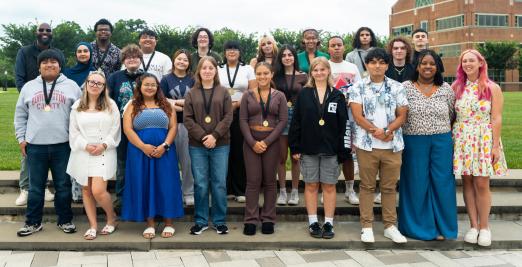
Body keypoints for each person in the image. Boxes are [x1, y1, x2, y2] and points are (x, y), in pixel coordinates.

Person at [14, 49, 81, 236]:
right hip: (35, 146)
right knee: (35, 187)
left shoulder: (72, 86)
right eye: (45, 62)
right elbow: (20, 116)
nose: (49, 64)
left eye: (53, 62)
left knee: (63, 185)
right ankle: (33, 222)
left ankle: (65, 220)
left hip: (63, 145)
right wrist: (21, 139)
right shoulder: (28, 87)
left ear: (60, 66)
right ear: (39, 66)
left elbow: (80, 115)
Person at [349, 48, 408, 244]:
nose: (377, 66)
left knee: (389, 187)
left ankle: (390, 226)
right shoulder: (358, 87)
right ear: (367, 65)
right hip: (367, 146)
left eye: (381, 62)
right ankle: (367, 226)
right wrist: (377, 131)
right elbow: (358, 116)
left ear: (387, 65)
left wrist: (388, 130)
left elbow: (402, 114)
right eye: (372, 62)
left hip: (392, 145)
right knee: (366, 186)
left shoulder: (397, 87)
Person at [398, 50, 458, 241]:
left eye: (432, 64)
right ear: (417, 66)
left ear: (438, 66)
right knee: (416, 182)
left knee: (443, 183)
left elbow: (451, 116)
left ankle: (444, 227)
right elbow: (399, 114)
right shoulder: (405, 87)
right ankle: (419, 228)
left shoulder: (446, 89)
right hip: (414, 140)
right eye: (424, 63)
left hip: (441, 140)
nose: (427, 67)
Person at [289, 57, 349, 239]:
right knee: (311, 185)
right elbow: (296, 122)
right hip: (308, 148)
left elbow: (343, 124)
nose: (319, 73)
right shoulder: (304, 94)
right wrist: (295, 146)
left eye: (323, 69)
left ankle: (329, 223)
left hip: (331, 149)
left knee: (330, 186)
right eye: (316, 70)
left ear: (328, 71)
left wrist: (342, 150)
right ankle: (313, 221)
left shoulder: (337, 95)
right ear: (311, 73)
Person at [452, 49, 507, 247]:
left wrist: (494, 146)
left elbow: (497, 117)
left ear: (480, 63)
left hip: (483, 137)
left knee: (482, 183)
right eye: (464, 61)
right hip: (462, 138)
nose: (467, 64)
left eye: (471, 60)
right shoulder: (457, 87)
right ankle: (473, 225)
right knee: (466, 182)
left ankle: (485, 227)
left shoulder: (492, 88)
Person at [121, 73, 184, 239]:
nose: (150, 87)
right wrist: (143, 147)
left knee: (166, 183)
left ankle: (169, 222)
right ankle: (150, 223)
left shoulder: (166, 105)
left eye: (153, 85)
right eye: (146, 85)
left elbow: (173, 128)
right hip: (139, 152)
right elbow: (127, 129)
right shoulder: (132, 106)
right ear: (140, 88)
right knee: (144, 183)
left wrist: (165, 145)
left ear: (158, 87)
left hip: (165, 152)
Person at [66, 71, 119, 240]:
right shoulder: (76, 107)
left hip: (104, 151)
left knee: (98, 190)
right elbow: (73, 132)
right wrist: (85, 145)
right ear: (86, 84)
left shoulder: (111, 105)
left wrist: (104, 145)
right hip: (83, 151)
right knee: (87, 190)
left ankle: (112, 218)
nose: (95, 85)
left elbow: (116, 129)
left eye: (99, 83)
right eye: (92, 82)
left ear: (104, 87)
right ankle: (93, 225)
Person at [184, 56, 233, 235]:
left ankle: (219, 221)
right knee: (201, 184)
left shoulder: (223, 92)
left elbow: (228, 117)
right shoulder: (191, 93)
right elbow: (187, 119)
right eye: (203, 68)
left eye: (210, 68)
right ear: (199, 71)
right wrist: (204, 136)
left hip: (221, 144)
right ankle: (201, 220)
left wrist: (214, 135)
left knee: (219, 183)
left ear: (215, 71)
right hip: (197, 145)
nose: (207, 71)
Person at [14, 22, 61, 206]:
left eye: (48, 30)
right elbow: (19, 78)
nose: (44, 33)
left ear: (51, 34)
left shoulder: (56, 53)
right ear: (36, 32)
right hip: (32, 104)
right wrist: (30, 100)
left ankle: (43, 187)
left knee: (51, 149)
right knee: (28, 148)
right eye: (41, 30)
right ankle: (25, 188)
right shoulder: (24, 52)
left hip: (53, 105)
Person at [240, 62, 288, 235]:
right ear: (255, 75)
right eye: (259, 74)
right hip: (251, 141)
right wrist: (253, 142)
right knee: (253, 181)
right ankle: (251, 219)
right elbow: (243, 120)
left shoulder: (280, 96)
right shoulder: (247, 95)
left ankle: (268, 218)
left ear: (272, 74)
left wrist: (267, 142)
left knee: (269, 181)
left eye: (265, 73)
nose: (262, 77)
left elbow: (283, 121)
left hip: (272, 142)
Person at [218, 41, 256, 203]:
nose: (231, 52)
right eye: (228, 49)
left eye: (235, 49)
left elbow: (253, 90)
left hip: (242, 112)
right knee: (223, 150)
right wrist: (228, 106)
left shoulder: (247, 69)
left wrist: (237, 105)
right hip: (220, 112)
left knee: (239, 151)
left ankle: (240, 189)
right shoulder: (218, 69)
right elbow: (213, 89)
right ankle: (227, 188)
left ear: (240, 52)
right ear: (224, 52)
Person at [107, 44, 144, 209]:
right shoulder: (115, 77)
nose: (132, 60)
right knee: (122, 163)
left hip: (143, 128)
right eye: (128, 57)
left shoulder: (147, 77)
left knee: (141, 161)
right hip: (121, 127)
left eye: (135, 57)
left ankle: (141, 194)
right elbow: (107, 100)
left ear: (140, 60)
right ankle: (121, 197)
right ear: (123, 60)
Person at [327, 36, 361, 205]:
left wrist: (351, 100)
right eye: (333, 45)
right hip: (329, 117)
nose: (336, 48)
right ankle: (328, 188)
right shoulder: (325, 65)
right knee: (330, 154)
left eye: (339, 45)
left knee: (348, 154)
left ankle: (350, 190)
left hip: (349, 116)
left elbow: (359, 89)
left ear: (343, 47)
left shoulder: (352, 67)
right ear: (328, 49)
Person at [272, 45, 307, 206]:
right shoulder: (275, 77)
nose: (287, 57)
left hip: (297, 118)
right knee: (280, 157)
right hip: (280, 118)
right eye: (284, 55)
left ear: (294, 57)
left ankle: (294, 191)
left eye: (290, 55)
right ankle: (282, 191)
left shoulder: (303, 76)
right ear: (280, 58)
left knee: (296, 157)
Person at [160, 49, 196, 206]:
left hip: (188, 125)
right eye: (179, 59)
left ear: (189, 63)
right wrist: (184, 105)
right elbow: (162, 101)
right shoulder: (166, 80)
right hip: (170, 125)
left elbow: (196, 102)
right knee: (170, 161)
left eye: (185, 60)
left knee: (187, 161)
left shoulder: (193, 80)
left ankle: (188, 192)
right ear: (174, 60)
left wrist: (174, 103)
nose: (182, 62)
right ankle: (174, 192)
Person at [64, 42, 97, 203]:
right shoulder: (67, 73)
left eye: (86, 51)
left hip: (91, 120)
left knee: (89, 155)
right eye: (79, 51)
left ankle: (90, 191)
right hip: (70, 117)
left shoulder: (96, 73)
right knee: (75, 153)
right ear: (76, 54)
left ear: (90, 53)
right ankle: (75, 192)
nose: (83, 54)